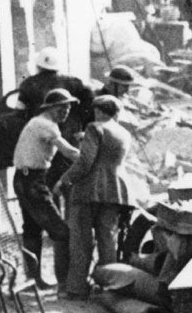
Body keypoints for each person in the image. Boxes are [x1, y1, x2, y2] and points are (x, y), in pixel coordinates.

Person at [62, 95, 140, 299]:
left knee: (81, 239)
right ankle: (110, 287)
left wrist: (65, 180)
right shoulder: (123, 132)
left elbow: (85, 161)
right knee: (108, 240)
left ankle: (77, 289)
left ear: (97, 111)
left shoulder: (94, 128)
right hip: (116, 189)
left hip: (90, 189)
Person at [11, 87, 79, 287]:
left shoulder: (39, 122)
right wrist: (89, 159)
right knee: (61, 231)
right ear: (49, 108)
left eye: (68, 108)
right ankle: (66, 282)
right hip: (31, 181)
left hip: (25, 178)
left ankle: (33, 279)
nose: (65, 112)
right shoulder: (45, 124)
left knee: (32, 229)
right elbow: (68, 152)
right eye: (62, 108)